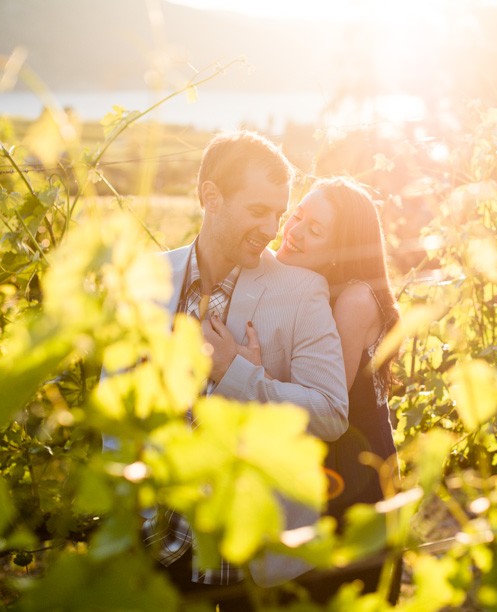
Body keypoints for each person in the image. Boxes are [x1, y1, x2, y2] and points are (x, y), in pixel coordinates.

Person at [146, 131, 350, 603]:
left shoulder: (301, 292)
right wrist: (135, 524)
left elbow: (331, 413)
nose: (273, 229)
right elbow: (116, 399)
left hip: (250, 562)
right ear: (211, 197)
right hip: (157, 554)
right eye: (259, 211)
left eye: (279, 214)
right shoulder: (151, 278)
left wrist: (237, 372)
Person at [205, 176, 402, 604]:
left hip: (352, 468)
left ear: (344, 246)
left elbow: (325, 405)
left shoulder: (353, 299)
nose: (293, 232)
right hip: (318, 462)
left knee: (336, 593)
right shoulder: (296, 280)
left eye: (316, 230)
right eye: (297, 217)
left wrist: (246, 369)